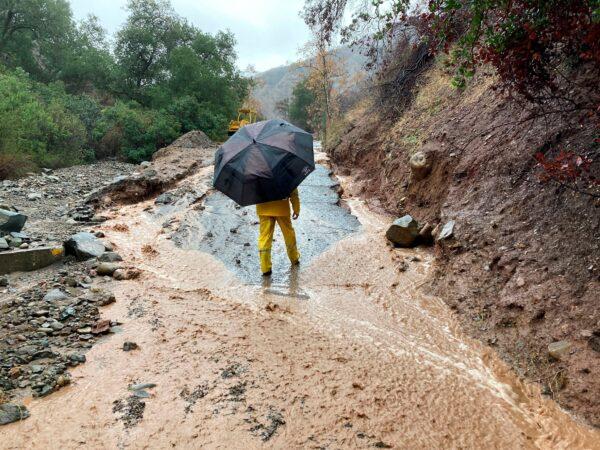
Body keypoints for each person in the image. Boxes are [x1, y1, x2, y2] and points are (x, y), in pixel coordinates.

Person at [256, 189, 300, 276]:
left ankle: (265, 268)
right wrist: (296, 208)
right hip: (282, 208)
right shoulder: (285, 175)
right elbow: (293, 192)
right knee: (288, 233)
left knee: (265, 237)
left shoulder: (256, 175)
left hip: (263, 208)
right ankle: (294, 258)